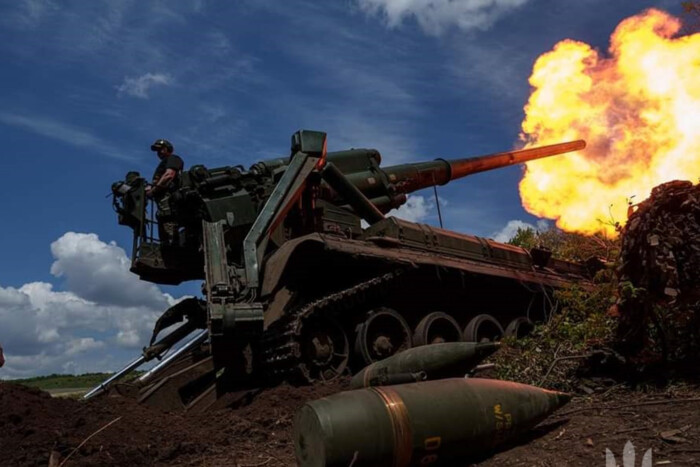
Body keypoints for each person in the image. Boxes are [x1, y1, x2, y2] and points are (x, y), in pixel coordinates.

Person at [147, 139, 184, 246]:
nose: (159, 152)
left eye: (161, 149)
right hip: (163, 205)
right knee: (164, 227)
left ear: (168, 149)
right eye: (157, 150)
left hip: (168, 203)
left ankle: (173, 248)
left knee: (170, 229)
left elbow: (169, 175)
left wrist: (153, 190)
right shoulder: (165, 162)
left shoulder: (173, 159)